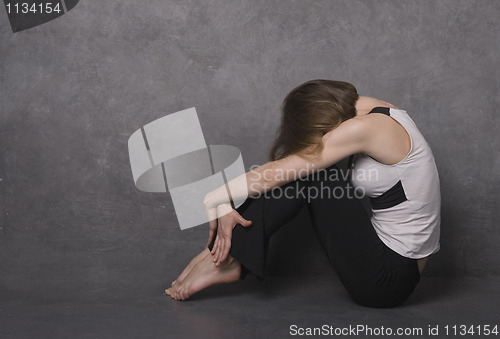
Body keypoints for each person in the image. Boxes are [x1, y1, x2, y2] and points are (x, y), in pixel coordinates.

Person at [165, 79, 441, 308]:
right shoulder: (380, 110)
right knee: (307, 170)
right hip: (390, 263)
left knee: (312, 173)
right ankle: (226, 255)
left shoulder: (368, 128)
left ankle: (228, 259)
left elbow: (279, 171)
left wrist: (214, 197)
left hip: (388, 281)